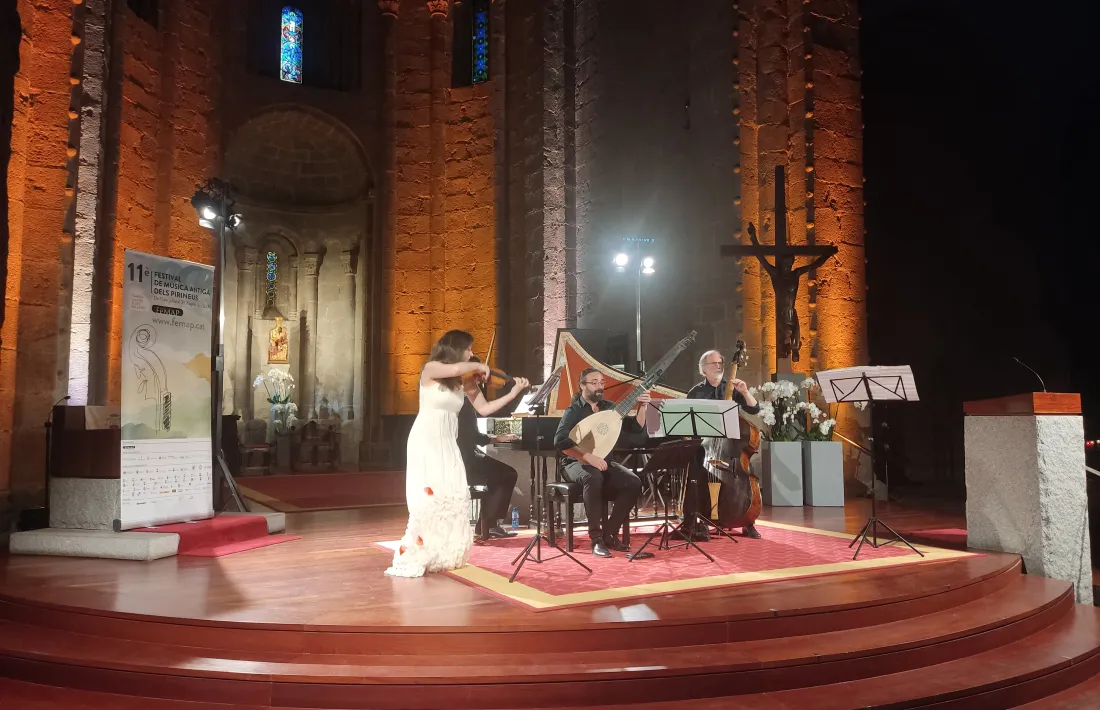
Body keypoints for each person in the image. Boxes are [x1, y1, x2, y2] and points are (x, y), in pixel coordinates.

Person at [385, 330, 530, 578]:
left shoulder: (464, 382)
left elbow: (485, 408)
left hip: (448, 443)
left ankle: (444, 551)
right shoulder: (431, 369)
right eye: (468, 349)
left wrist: (513, 393)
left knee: (453, 494)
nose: (472, 354)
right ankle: (422, 548)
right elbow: (454, 369)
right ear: (456, 349)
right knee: (431, 497)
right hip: (427, 439)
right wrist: (477, 365)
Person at [554, 368, 648, 558]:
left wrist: (643, 406)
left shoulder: (609, 408)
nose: (599, 386)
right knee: (593, 476)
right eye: (594, 382)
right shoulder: (573, 411)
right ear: (582, 386)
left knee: (633, 481)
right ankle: (596, 539)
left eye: (602, 382)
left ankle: (609, 534)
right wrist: (588, 457)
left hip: (604, 460)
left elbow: (635, 429)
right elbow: (561, 441)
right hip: (574, 462)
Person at [683, 349, 763, 540]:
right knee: (695, 476)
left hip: (732, 449)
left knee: (744, 479)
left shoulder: (733, 388)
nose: (718, 366)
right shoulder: (696, 392)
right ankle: (699, 520)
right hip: (707, 448)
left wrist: (745, 392)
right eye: (714, 363)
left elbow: (754, 409)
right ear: (703, 368)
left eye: (720, 363)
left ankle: (747, 521)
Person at [457, 356, 523, 539]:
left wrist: (495, 438)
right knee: (506, 474)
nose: (481, 380)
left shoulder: (460, 397)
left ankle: (486, 524)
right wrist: (496, 438)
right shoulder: (462, 401)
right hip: (463, 458)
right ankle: (489, 524)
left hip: (464, 453)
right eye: (477, 376)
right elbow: (472, 436)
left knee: (500, 474)